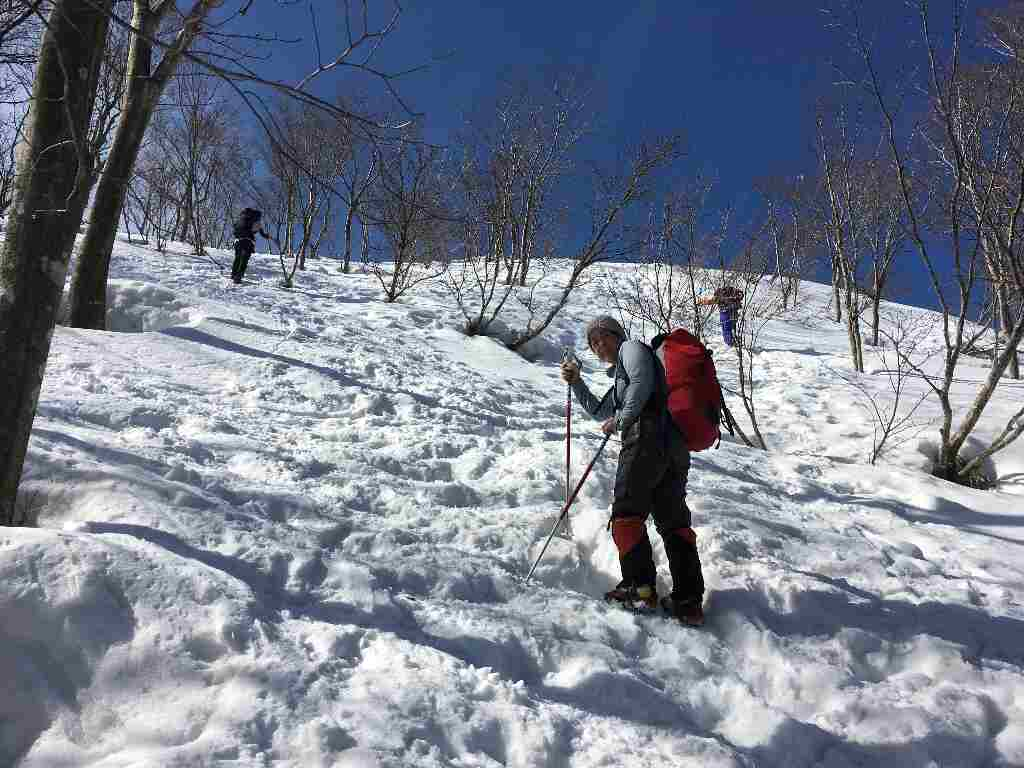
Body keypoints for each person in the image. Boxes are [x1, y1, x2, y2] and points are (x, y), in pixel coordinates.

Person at [559, 315, 706, 626]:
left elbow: (641, 383)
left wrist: (623, 420)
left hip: (646, 438)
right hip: (672, 447)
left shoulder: (632, 349)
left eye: (601, 338)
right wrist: (576, 382)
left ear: (616, 335)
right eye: (592, 343)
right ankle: (688, 599)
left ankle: (639, 587)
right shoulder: (621, 379)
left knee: (627, 511)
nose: (597, 346)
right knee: (672, 521)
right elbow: (600, 409)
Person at [231, 208, 270, 284]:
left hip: (238, 240)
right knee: (244, 259)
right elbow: (261, 232)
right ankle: (238, 276)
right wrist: (266, 236)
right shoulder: (256, 221)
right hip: (248, 241)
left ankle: (233, 274)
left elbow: (234, 228)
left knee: (238, 258)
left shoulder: (240, 219)